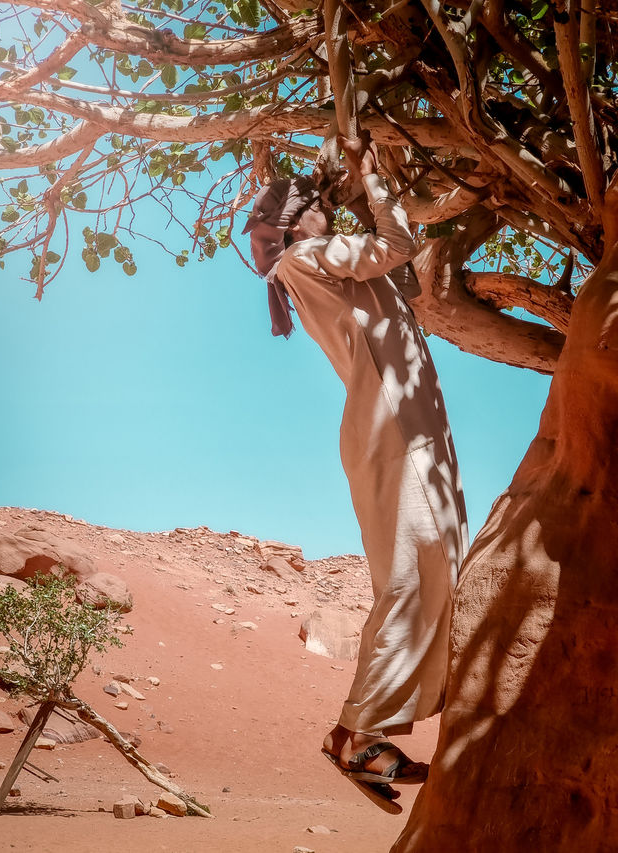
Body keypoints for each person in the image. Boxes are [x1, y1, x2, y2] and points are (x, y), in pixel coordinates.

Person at [243, 134, 469, 813]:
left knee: (429, 567)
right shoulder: (309, 257)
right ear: (300, 227)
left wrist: (337, 173)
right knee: (412, 572)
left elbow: (396, 271)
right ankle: (359, 733)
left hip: (404, 427)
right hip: (395, 430)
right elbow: (397, 245)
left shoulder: (322, 265)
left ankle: (358, 734)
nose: (260, 249)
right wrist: (374, 177)